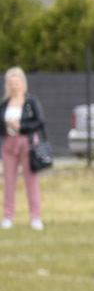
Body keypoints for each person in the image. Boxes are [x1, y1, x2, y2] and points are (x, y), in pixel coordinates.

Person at [1, 67, 46, 231]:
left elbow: (40, 121)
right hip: (8, 144)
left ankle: (35, 217)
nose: (13, 86)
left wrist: (22, 126)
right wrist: (6, 127)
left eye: (16, 82)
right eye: (10, 83)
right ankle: (7, 216)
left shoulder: (30, 102)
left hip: (27, 143)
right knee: (9, 182)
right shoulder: (4, 104)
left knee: (31, 181)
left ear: (22, 83)